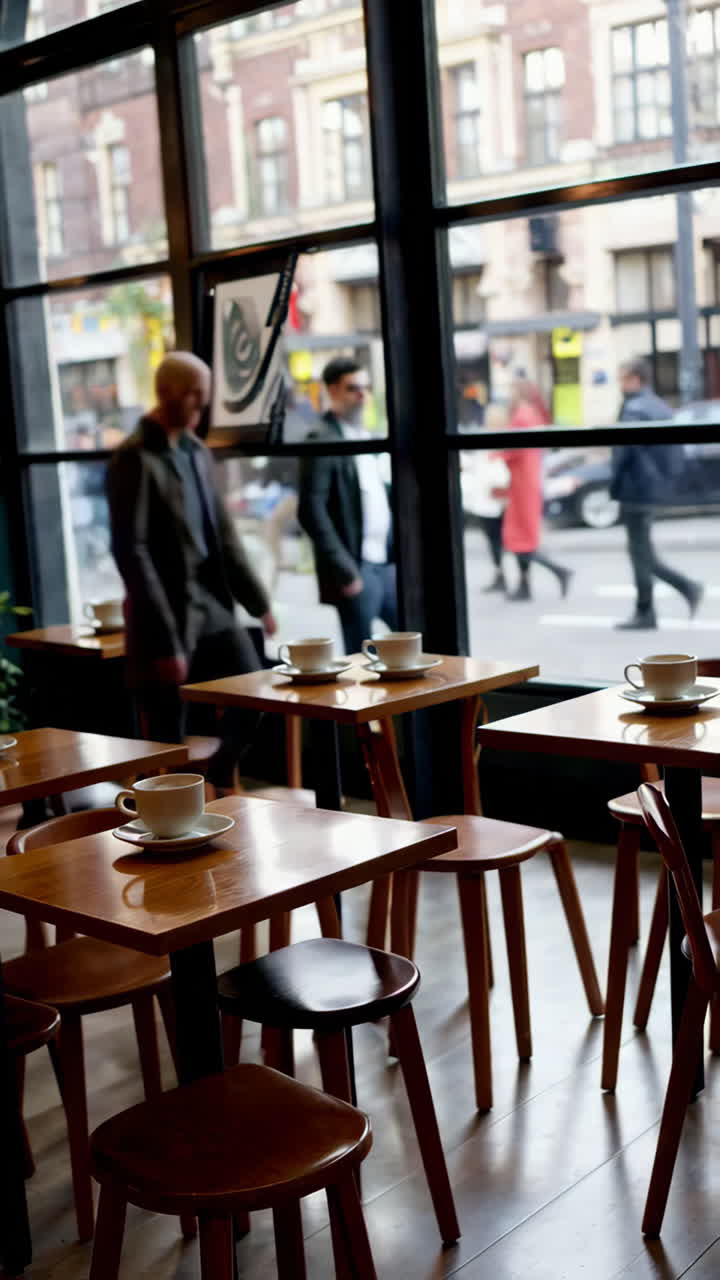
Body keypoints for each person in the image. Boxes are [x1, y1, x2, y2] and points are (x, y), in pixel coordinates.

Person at [106, 351, 277, 791]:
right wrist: (165, 638)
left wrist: (260, 604)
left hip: (212, 606)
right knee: (166, 738)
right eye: (196, 400)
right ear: (168, 394)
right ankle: (170, 825)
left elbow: (225, 538)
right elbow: (132, 552)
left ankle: (219, 770)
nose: (202, 410)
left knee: (255, 689)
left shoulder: (197, 453)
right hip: (163, 616)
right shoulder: (135, 457)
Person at [298, 356, 397, 654]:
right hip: (357, 565)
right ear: (332, 391)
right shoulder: (322, 438)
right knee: (362, 654)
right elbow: (311, 511)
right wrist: (345, 569)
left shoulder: (365, 435)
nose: (362, 396)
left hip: (386, 562)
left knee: (411, 638)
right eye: (353, 388)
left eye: (365, 388)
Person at [611, 356, 703, 630]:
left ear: (635, 379)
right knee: (641, 550)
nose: (620, 385)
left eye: (623, 379)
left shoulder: (634, 409)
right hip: (651, 489)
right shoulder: (659, 406)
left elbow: (622, 452)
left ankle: (656, 605)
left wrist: (614, 484)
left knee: (640, 553)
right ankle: (664, 600)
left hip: (635, 489)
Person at [500, 378, 572, 601]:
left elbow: (512, 450)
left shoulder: (522, 415)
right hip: (528, 483)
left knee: (518, 538)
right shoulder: (532, 413)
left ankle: (557, 571)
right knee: (521, 538)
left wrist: (492, 456)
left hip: (523, 485)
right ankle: (525, 585)